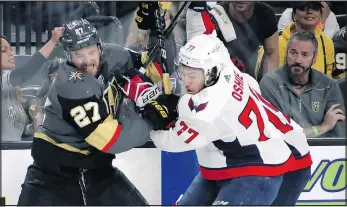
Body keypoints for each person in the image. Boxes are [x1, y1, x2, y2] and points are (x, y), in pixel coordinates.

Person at [138, 32, 312, 205]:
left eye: (192, 76)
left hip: (272, 167)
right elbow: (206, 35)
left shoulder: (210, 110)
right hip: (235, 160)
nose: (186, 83)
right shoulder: (224, 65)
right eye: (184, 74)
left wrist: (148, 121)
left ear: (210, 73)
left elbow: (170, 141)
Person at [17, 18, 169, 205]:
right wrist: (151, 120)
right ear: (68, 55)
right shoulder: (71, 85)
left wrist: (156, 29)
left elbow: (153, 63)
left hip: (99, 173)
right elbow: (112, 140)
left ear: (99, 47)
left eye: (91, 52)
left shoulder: (113, 54)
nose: (87, 61)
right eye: (79, 55)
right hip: (51, 178)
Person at [260, 30, 345, 139]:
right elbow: (281, 134)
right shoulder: (270, 83)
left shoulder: (329, 86)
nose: (298, 60)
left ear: (314, 58)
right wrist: (323, 127)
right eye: (293, 53)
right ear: (286, 54)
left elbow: (339, 137)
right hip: (285, 152)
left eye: (305, 55)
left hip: (322, 152)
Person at [186, 1, 279, 80]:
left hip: (251, 82)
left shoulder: (266, 14)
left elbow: (271, 54)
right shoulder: (214, 16)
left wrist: (265, 89)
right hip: (220, 80)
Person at [1, 28, 63, 142]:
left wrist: (33, 126)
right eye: (4, 50)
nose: (11, 53)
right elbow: (26, 72)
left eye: (10, 49)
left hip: (12, 156)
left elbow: (20, 132)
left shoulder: (12, 93)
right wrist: (53, 41)